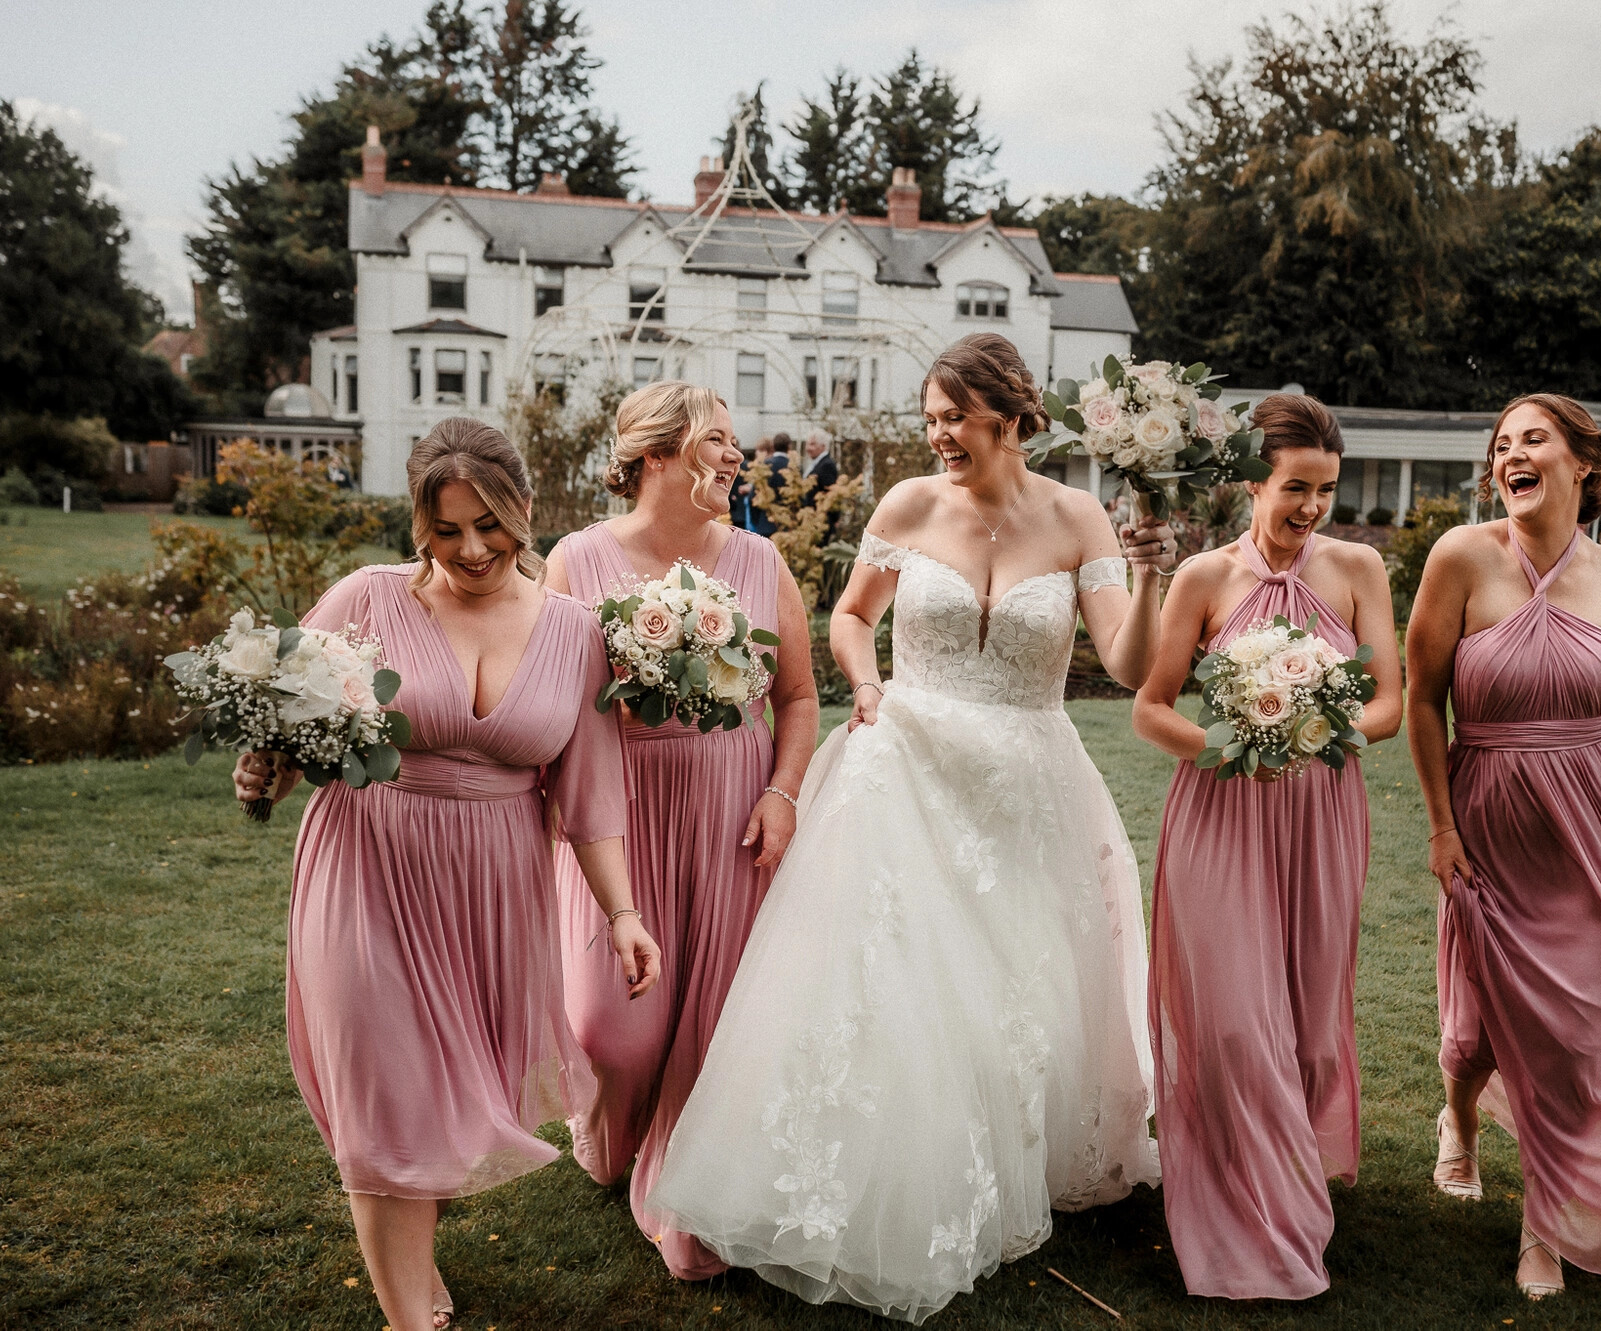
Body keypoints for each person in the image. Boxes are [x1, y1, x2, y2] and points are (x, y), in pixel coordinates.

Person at [649, 332, 1176, 1323]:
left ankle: (994, 1152)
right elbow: (851, 614)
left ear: (1010, 418)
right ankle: (874, 1169)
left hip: (1026, 778)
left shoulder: (1077, 518)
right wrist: (867, 681)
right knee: (892, 975)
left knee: (1011, 979)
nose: (936, 434)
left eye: (953, 419)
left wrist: (1147, 574)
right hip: (907, 756)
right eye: (929, 418)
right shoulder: (905, 505)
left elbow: (1129, 658)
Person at [232, 418, 662, 1331]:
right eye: (447, 529)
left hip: (495, 886)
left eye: (489, 525)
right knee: (387, 1092)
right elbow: (286, 718)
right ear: (419, 526)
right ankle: (408, 1316)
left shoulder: (577, 631)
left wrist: (623, 911)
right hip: (367, 866)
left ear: (526, 510)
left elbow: (589, 793)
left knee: (438, 1097)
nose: (471, 549)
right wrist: (263, 756)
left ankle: (413, 1272)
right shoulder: (365, 599)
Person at [1404, 393, 1601, 1301]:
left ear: (1584, 464)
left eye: (1533, 439)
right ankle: (1457, 1123)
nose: (1511, 455)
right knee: (1476, 1035)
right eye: (1501, 444)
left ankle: (1546, 1226)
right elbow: (1425, 698)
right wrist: (1440, 822)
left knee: (1576, 1034)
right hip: (1492, 817)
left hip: (1599, 827)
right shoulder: (1461, 555)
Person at [1132, 393, 1403, 1299]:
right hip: (1221, 814)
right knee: (1238, 1026)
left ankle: (1288, 1179)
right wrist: (1231, 741)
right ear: (1255, 479)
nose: (1311, 507)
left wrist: (1318, 732)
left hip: (1323, 814)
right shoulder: (1205, 578)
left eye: (1325, 489)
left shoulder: (1361, 568)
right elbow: (1151, 705)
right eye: (1296, 486)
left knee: (1313, 1033)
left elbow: (1389, 704)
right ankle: (1256, 1225)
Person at [544, 383, 818, 1277]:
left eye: (736, 442)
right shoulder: (575, 562)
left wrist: (782, 792)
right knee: (608, 1030)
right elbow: (547, 700)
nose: (735, 456)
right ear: (655, 454)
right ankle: (609, 1126)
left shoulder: (761, 561)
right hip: (612, 820)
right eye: (716, 441)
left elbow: (801, 697)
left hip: (731, 816)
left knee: (711, 1029)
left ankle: (687, 1185)